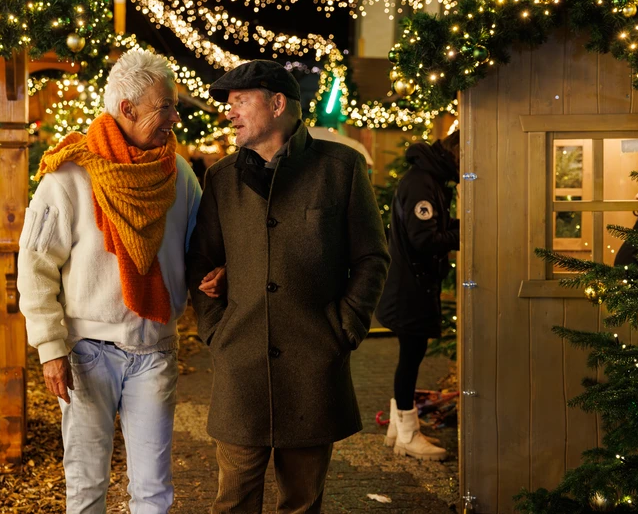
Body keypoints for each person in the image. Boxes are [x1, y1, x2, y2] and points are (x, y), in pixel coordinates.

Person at [186, 60, 390, 514]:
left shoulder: (342, 169)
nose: (230, 112)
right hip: (241, 364)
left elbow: (371, 258)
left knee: (301, 503)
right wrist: (215, 330)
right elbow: (201, 260)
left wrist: (345, 330)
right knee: (233, 501)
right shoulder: (221, 178)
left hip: (313, 367)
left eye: (240, 101)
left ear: (278, 104)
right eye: (229, 104)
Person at [16, 50, 203, 513]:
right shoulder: (69, 174)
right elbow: (35, 264)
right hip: (85, 354)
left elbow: (202, 245)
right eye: (166, 107)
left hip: (155, 349)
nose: (175, 118)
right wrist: (51, 349)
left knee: (154, 491)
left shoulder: (178, 174)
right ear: (127, 109)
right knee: (85, 485)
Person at [375, 131, 460, 462]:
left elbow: (432, 227)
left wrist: (456, 225)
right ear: (455, 152)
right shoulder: (422, 182)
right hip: (410, 288)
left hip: (412, 285)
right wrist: (464, 232)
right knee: (410, 357)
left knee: (410, 356)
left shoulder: (427, 178)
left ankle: (398, 428)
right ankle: (408, 434)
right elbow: (424, 238)